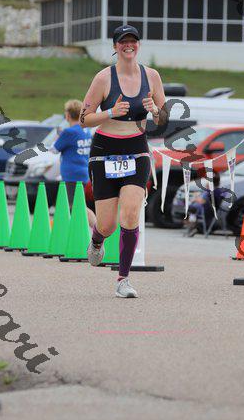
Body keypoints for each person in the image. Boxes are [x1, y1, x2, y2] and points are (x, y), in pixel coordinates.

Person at [79, 25, 166, 298]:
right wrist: (110, 112)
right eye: (123, 41)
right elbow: (84, 118)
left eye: (133, 41)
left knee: (130, 214)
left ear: (138, 45)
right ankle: (97, 240)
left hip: (136, 149)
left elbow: (164, 119)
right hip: (104, 150)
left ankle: (123, 279)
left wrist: (155, 111)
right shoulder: (103, 78)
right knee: (108, 225)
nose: (129, 45)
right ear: (115, 47)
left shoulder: (152, 76)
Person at [51, 99, 96, 227]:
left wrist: (58, 136)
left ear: (68, 115)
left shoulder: (69, 132)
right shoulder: (86, 131)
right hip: (83, 173)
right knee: (76, 204)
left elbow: (54, 149)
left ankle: (97, 228)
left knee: (75, 205)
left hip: (71, 174)